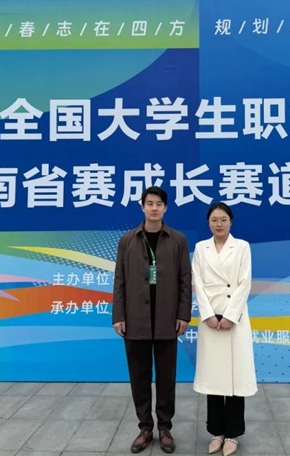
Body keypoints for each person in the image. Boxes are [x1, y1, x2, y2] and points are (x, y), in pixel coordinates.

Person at [112, 186, 192, 454]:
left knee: (167, 378)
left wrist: (183, 314)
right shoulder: (127, 240)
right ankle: (145, 427)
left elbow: (185, 280)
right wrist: (119, 315)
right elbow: (119, 281)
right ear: (142, 207)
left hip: (167, 320)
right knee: (139, 376)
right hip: (136, 320)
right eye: (149, 203)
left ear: (165, 208)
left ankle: (165, 428)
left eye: (159, 204)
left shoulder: (178, 239)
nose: (154, 208)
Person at [192, 202, 258, 456]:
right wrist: (208, 315)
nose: (218, 224)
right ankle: (216, 432)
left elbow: (244, 283)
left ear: (231, 222)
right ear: (208, 222)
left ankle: (232, 433)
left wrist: (230, 316)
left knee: (234, 379)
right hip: (210, 320)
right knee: (214, 378)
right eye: (214, 220)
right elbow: (198, 282)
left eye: (223, 219)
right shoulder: (201, 248)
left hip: (234, 319)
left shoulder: (241, 247)